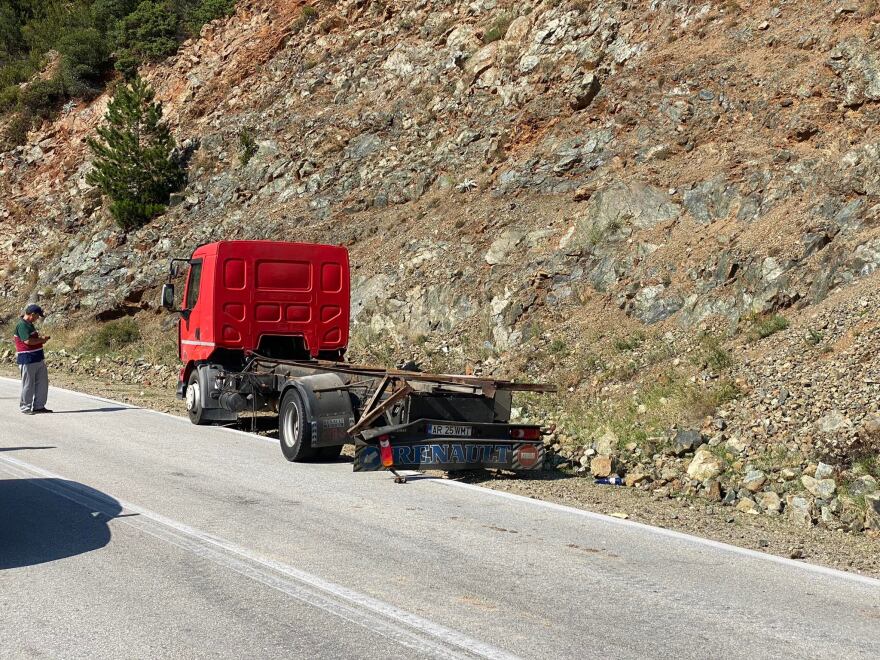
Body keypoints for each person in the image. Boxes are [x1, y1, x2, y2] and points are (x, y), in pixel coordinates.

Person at [14, 304, 52, 415]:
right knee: (28, 384)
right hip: (27, 359)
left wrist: (40, 339)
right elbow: (27, 341)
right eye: (37, 316)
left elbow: (32, 339)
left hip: (38, 358)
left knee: (42, 383)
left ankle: (39, 406)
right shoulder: (22, 325)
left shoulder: (29, 325)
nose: (37, 318)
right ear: (32, 314)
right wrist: (42, 340)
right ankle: (25, 407)